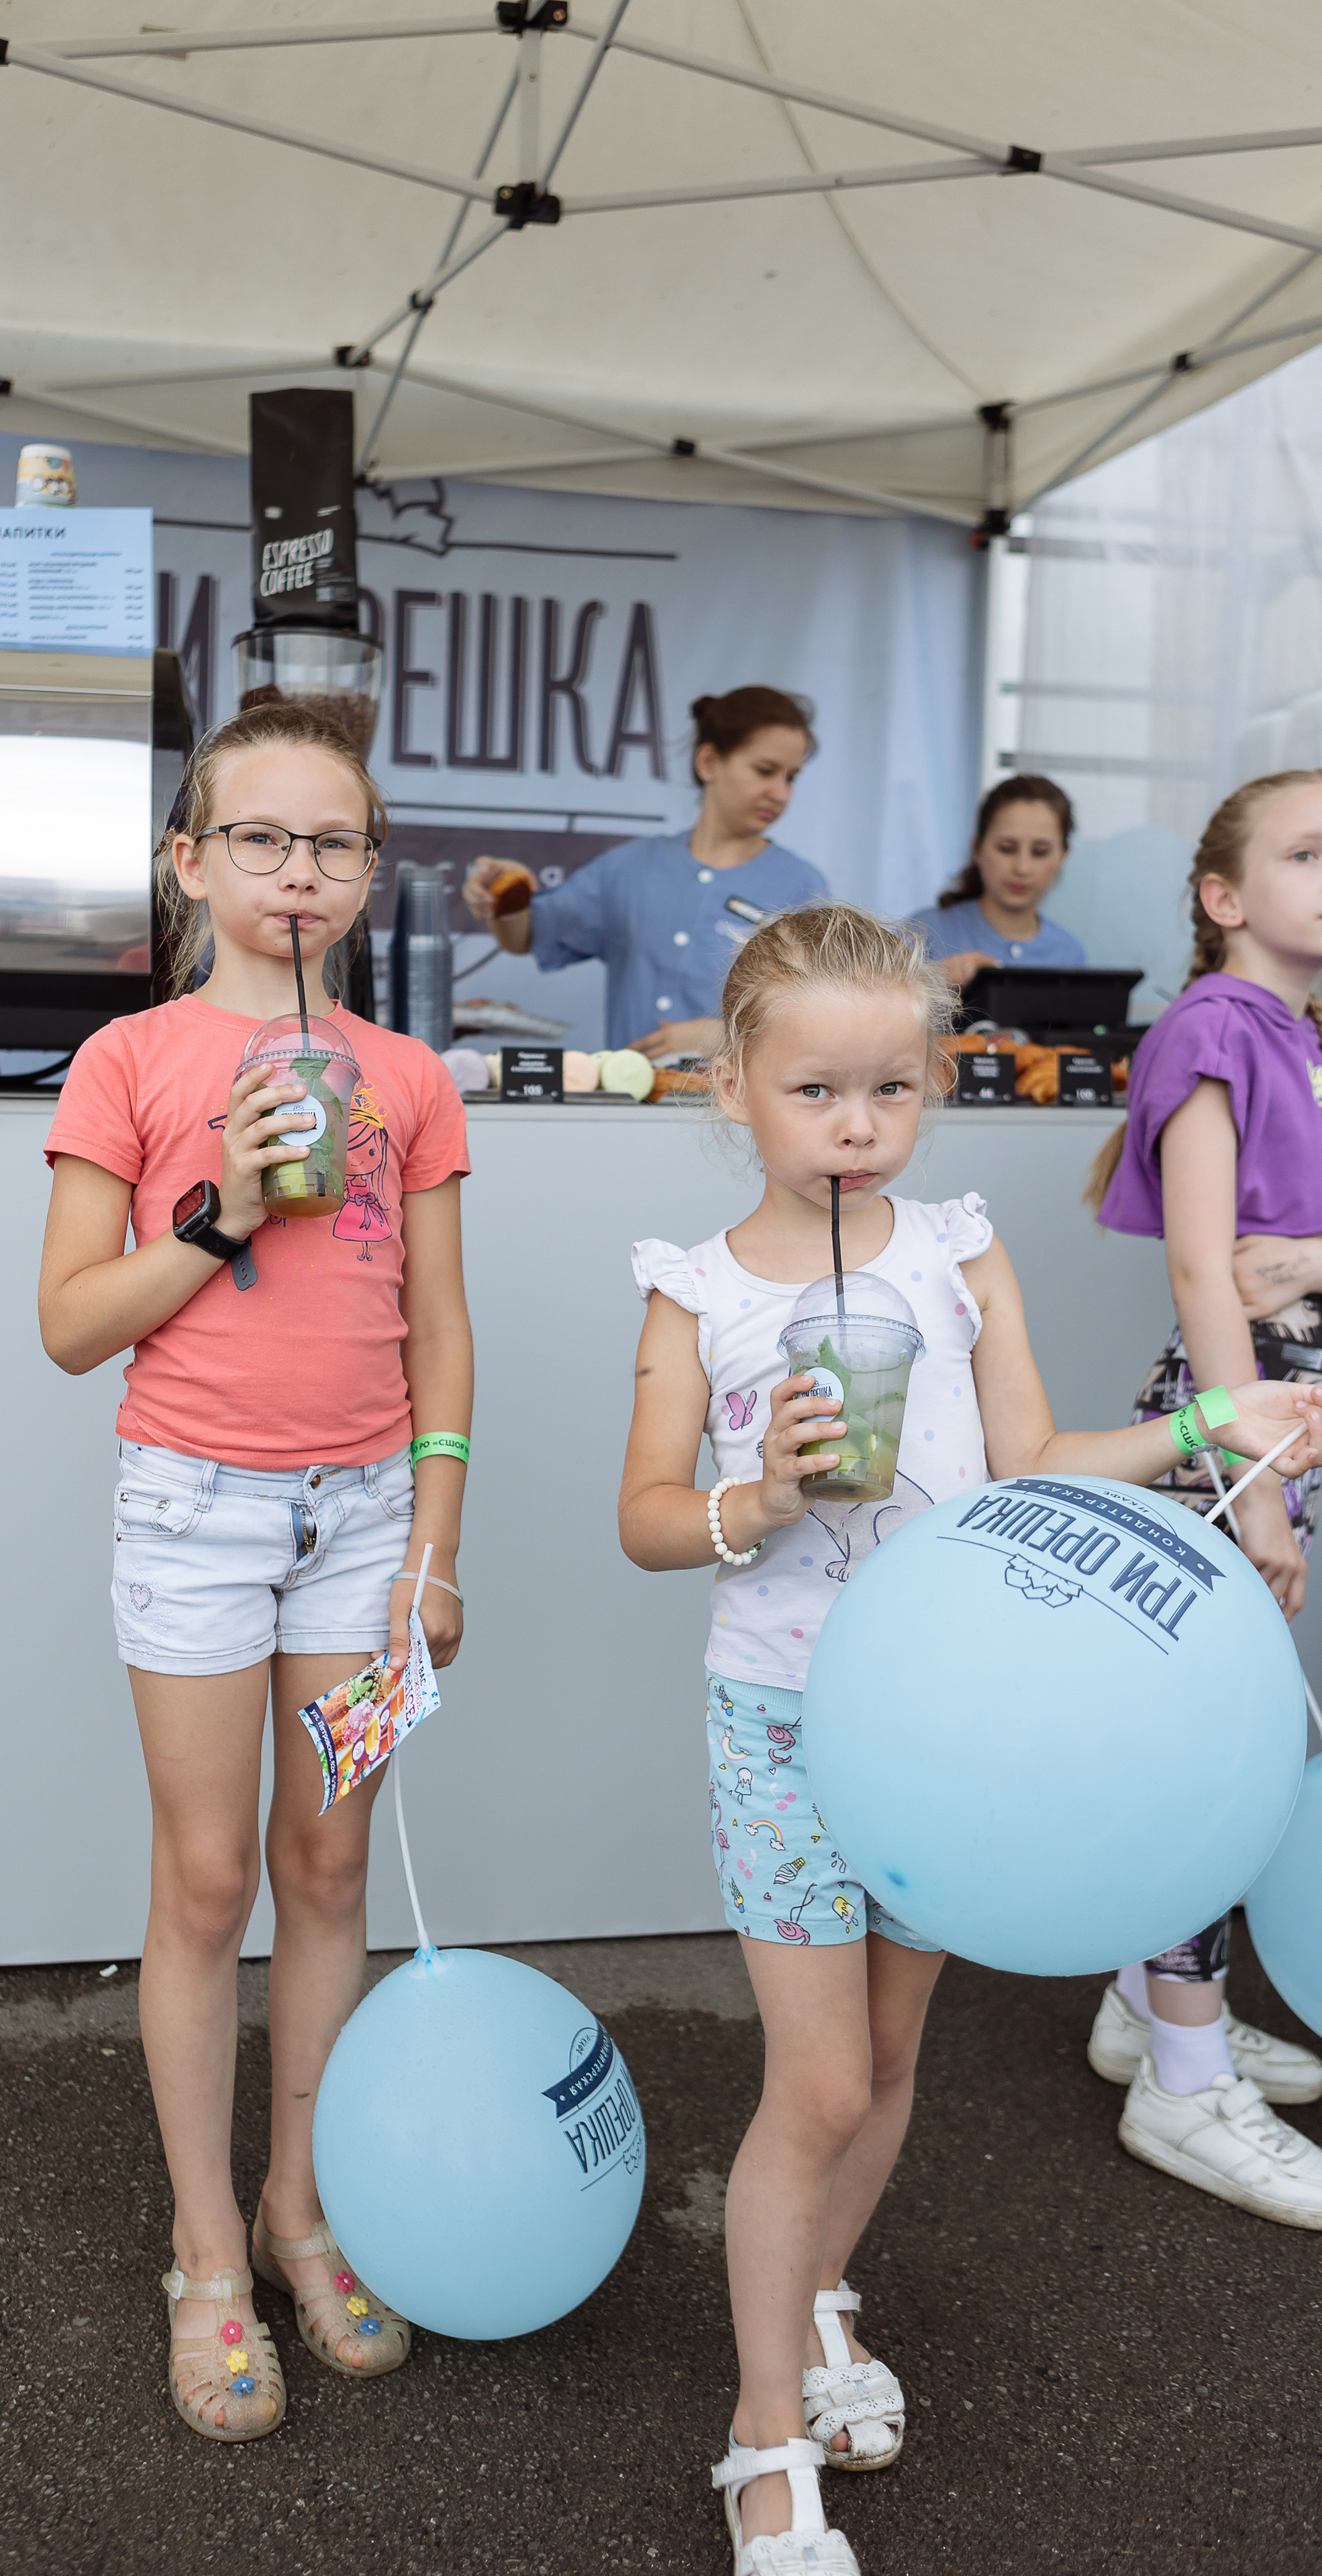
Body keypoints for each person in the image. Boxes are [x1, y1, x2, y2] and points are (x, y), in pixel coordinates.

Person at [617, 901, 1322, 2576]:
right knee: (819, 2077)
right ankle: (761, 2432)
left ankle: (815, 2301)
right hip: (784, 1719)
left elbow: (1024, 1459)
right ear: (734, 1085)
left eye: (888, 1090)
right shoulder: (694, 1293)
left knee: (890, 2057)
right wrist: (765, 1488)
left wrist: (1207, 1420)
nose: (854, 1128)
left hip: (945, 1714)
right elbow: (642, 1521)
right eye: (811, 1093)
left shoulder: (955, 1249)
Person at [36, 701, 474, 2441]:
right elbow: (71, 1327)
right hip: (196, 1517)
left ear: (370, 874)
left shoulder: (414, 1078)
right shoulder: (130, 1063)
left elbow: (443, 1326)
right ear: (191, 862)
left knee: (332, 1859)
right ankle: (204, 2247)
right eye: (263, 840)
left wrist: (434, 1543)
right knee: (209, 1881)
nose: (301, 873)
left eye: (336, 844)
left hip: (369, 1521)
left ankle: (301, 2206)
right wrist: (222, 1211)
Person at [1081, 769, 1322, 2215]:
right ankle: (1180, 2086)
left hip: (1279, 1417)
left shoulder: (1290, 1033)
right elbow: (1199, 1268)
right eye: (1304, 853)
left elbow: (1279, 1257)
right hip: (1244, 1430)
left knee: (1224, 1734)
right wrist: (1245, 1477)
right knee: (1209, 1755)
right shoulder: (1210, 1029)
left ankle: (1141, 2005)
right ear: (1223, 898)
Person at [462, 685, 827, 1056]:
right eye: (765, 771)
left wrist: (723, 1038)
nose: (780, 793)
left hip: (738, 1109)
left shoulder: (802, 886)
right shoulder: (630, 867)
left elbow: (821, 1022)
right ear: (709, 763)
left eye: (791, 777)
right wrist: (506, 896)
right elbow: (526, 937)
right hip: (630, 1105)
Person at [907, 774, 1084, 988]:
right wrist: (929, 983)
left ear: (1063, 856)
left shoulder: (1070, 954)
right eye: (1006, 849)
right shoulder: (924, 934)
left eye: (1040, 852)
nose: (1022, 868)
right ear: (978, 849)